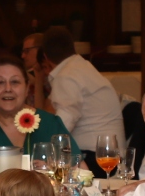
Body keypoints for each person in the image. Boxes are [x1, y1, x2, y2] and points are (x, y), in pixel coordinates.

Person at [38, 27, 121, 174]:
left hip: (95, 157)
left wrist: (38, 145)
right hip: (109, 153)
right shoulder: (81, 67)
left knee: (40, 165)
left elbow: (62, 128)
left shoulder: (67, 75)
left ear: (45, 56)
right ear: (72, 48)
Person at [0, 60, 70, 158]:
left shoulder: (51, 125)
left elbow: (76, 167)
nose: (8, 89)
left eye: (15, 82)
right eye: (0, 82)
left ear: (27, 88)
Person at [19, 31, 49, 112]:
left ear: (40, 50)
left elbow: (40, 113)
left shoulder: (50, 77)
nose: (23, 56)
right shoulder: (30, 73)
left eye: (27, 51)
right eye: (23, 51)